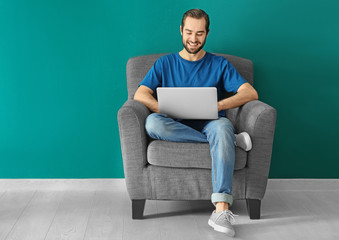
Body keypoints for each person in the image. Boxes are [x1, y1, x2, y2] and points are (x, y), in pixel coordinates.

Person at [134, 9, 258, 237]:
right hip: (174, 124)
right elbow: (140, 94)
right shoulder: (165, 63)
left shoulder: (219, 64)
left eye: (199, 33)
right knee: (152, 123)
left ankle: (221, 210)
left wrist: (219, 105)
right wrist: (162, 108)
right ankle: (231, 141)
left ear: (207, 34)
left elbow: (250, 92)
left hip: (212, 123)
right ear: (181, 30)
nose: (193, 39)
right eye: (189, 32)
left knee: (222, 128)